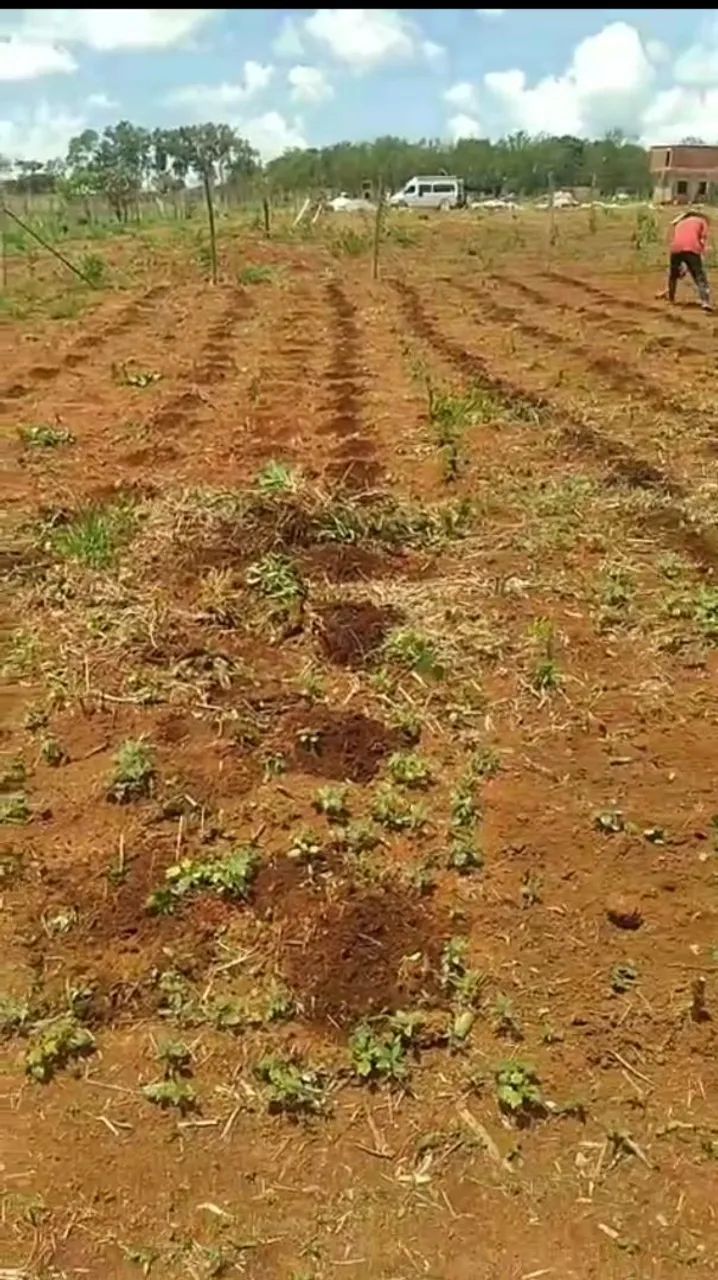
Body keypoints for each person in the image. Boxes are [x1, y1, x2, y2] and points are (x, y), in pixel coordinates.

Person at [660, 207, 712, 311]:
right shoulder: (702, 221)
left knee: (673, 275)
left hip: (676, 248)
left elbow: (680, 238)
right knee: (699, 275)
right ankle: (705, 302)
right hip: (692, 248)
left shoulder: (680, 223)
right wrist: (699, 253)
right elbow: (702, 239)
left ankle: (671, 298)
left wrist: (684, 267)